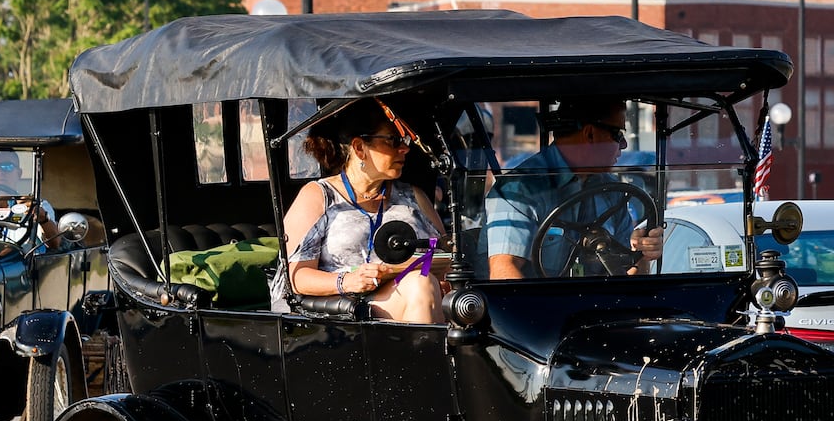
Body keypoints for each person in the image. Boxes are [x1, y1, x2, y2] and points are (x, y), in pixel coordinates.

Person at [273, 100, 446, 322]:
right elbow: (295, 276)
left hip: (412, 297)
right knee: (420, 284)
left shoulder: (414, 196)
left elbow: (445, 253)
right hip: (344, 313)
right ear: (359, 148)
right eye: (393, 140)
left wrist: (442, 277)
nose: (404, 148)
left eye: (403, 141)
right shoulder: (319, 196)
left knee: (424, 283)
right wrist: (346, 281)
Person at [483, 98, 664, 279]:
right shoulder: (518, 191)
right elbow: (504, 272)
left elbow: (624, 278)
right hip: (536, 304)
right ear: (590, 134)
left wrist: (642, 254)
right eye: (617, 134)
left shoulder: (612, 194)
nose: (624, 145)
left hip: (599, 305)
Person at [0, 149, 61, 250]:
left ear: (19, 173)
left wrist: (43, 219)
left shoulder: (38, 207)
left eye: (7, 167)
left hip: (25, 263)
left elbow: (54, 245)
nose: (0, 172)